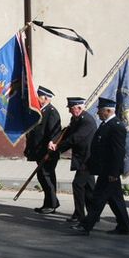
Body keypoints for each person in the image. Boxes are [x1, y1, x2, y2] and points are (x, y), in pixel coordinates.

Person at [72, 97, 129, 236]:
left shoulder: (116, 126)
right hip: (105, 170)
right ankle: (124, 226)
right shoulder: (105, 125)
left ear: (109, 111)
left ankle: (86, 225)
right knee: (115, 199)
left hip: (110, 171)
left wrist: (113, 173)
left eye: (100, 110)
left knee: (98, 199)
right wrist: (90, 165)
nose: (98, 113)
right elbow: (98, 148)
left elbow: (117, 153)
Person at [48, 97, 96, 223]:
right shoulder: (76, 119)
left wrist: (58, 147)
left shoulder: (87, 121)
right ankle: (93, 215)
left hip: (87, 159)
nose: (69, 111)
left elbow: (75, 138)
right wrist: (54, 142)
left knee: (78, 185)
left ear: (79, 108)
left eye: (71, 108)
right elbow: (67, 133)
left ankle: (80, 217)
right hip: (81, 158)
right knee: (90, 189)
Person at [24, 85, 61, 214]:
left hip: (48, 153)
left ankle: (52, 204)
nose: (36, 98)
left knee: (47, 177)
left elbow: (55, 133)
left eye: (38, 96)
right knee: (43, 177)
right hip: (40, 152)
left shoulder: (52, 112)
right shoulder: (41, 111)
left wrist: (51, 145)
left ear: (45, 98)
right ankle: (48, 203)